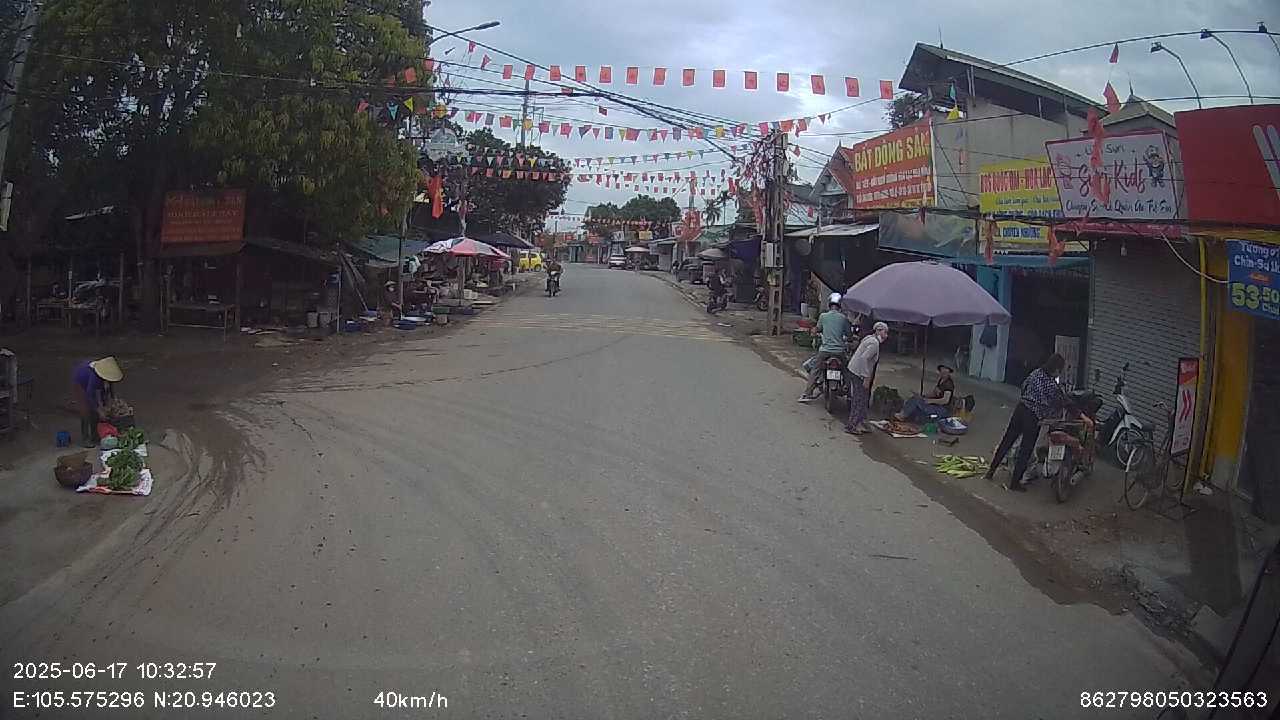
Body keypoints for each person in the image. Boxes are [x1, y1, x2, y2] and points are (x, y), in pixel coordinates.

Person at [983, 353, 1069, 492]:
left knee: (1007, 441)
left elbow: (1024, 386)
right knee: (1025, 450)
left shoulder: (1036, 373)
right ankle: (1014, 483)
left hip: (1020, 409)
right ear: (1056, 369)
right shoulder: (1052, 385)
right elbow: (1059, 401)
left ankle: (990, 471)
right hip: (1032, 417)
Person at [798, 293, 854, 402]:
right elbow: (849, 335)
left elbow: (818, 329)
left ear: (829, 304)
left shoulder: (823, 316)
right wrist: (850, 339)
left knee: (815, 370)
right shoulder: (843, 318)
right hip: (840, 352)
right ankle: (849, 393)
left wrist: (815, 332)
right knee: (846, 370)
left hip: (825, 351)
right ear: (839, 305)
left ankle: (807, 394)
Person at [846, 321, 889, 435]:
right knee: (859, 399)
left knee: (864, 398)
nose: (886, 335)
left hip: (855, 370)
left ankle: (861, 422)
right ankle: (851, 425)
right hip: (858, 372)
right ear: (878, 331)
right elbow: (864, 358)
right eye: (885, 332)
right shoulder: (874, 343)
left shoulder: (869, 338)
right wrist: (866, 377)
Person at [72, 357, 122, 447]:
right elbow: (89, 394)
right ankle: (85, 439)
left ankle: (95, 436)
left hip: (91, 386)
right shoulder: (94, 377)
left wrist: (108, 404)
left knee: (96, 414)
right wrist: (98, 409)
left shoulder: (109, 378)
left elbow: (107, 392)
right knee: (86, 411)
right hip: (81, 383)